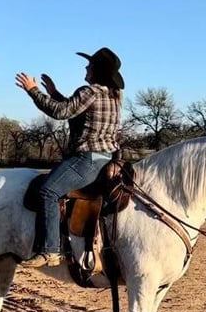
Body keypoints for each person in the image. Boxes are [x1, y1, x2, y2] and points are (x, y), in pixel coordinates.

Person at [15, 46, 124, 267]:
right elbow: (76, 112)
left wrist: (33, 91)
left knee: (48, 190)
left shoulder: (90, 91)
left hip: (87, 159)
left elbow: (61, 112)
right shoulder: (114, 95)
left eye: (90, 65)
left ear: (97, 71)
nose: (86, 67)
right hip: (107, 159)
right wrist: (54, 93)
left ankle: (50, 250)